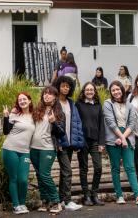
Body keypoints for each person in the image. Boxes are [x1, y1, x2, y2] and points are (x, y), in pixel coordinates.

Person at [102, 81, 138, 206]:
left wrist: (123, 138)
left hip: (127, 138)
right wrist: (120, 137)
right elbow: (111, 122)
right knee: (115, 168)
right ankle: (119, 196)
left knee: (130, 167)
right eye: (113, 90)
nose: (116, 92)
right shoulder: (107, 104)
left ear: (122, 90)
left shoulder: (130, 105)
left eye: (118, 89)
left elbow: (132, 124)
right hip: (113, 139)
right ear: (110, 92)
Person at [31, 85, 66, 214]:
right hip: (34, 148)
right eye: (45, 93)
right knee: (40, 176)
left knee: (45, 174)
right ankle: (45, 201)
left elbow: (62, 132)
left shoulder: (58, 113)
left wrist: (54, 122)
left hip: (48, 148)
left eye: (50, 93)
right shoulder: (37, 110)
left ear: (55, 97)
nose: (46, 95)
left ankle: (56, 201)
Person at [53, 76, 85, 211]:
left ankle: (62, 200)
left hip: (70, 143)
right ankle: (67, 200)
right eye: (63, 86)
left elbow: (77, 124)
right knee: (67, 171)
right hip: (61, 143)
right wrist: (57, 142)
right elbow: (53, 126)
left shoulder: (71, 103)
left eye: (68, 86)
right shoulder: (55, 103)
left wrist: (77, 143)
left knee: (64, 172)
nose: (65, 88)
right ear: (58, 86)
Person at [2, 92, 35, 215]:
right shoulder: (14, 114)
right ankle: (16, 205)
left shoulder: (34, 116)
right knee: (14, 178)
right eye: (20, 100)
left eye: (24, 99)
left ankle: (22, 203)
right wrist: (6, 116)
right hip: (10, 149)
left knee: (23, 180)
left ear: (29, 101)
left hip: (25, 151)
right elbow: (6, 131)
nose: (22, 101)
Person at [76, 82, 105, 206]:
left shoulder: (98, 105)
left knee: (98, 167)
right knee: (84, 169)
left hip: (95, 141)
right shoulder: (78, 104)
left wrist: (101, 142)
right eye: (87, 90)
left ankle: (94, 194)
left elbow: (101, 125)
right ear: (84, 91)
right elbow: (75, 123)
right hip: (82, 141)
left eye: (91, 90)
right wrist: (76, 142)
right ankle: (86, 195)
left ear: (94, 92)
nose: (89, 92)